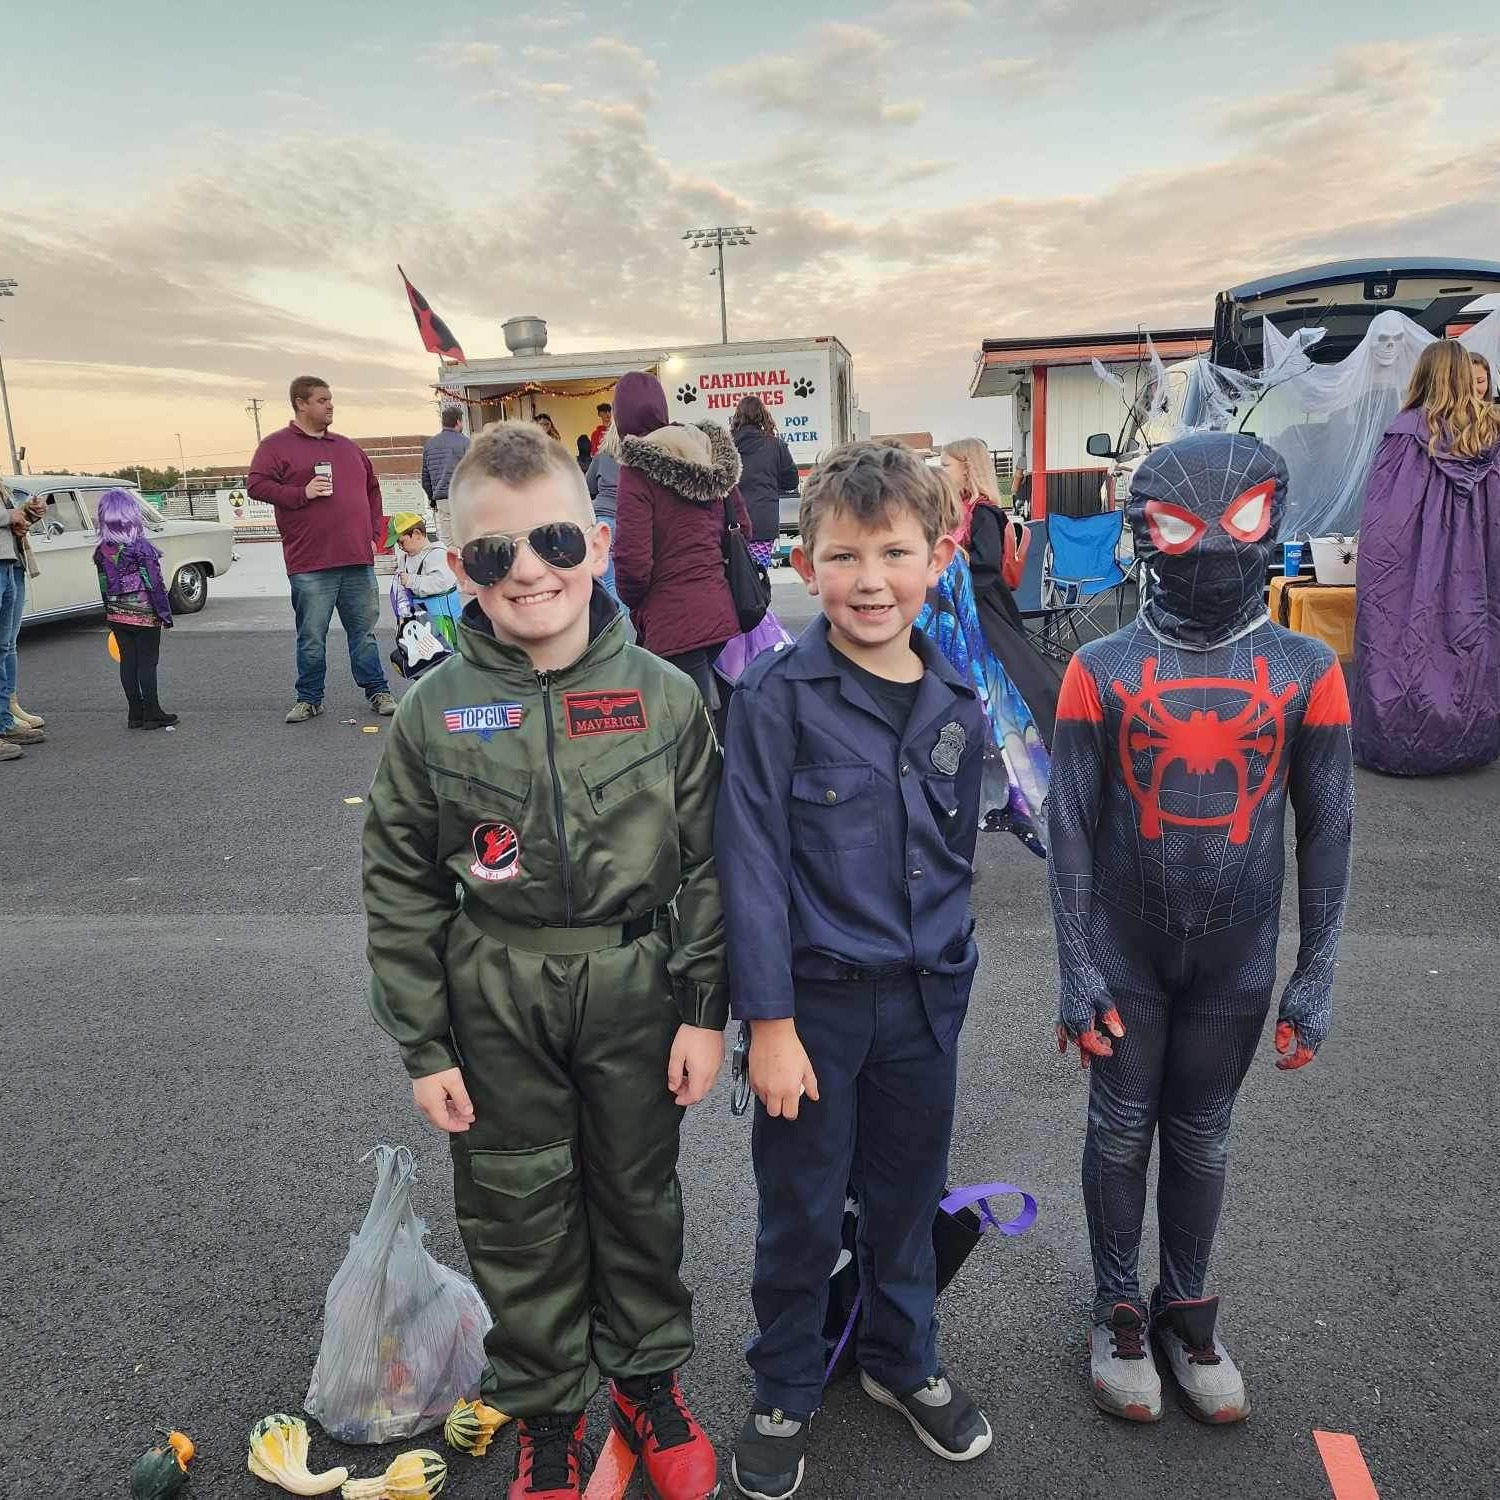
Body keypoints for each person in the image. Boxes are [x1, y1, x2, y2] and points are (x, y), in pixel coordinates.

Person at [363, 420, 725, 1500]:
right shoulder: (431, 716)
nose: (529, 571)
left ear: (600, 546)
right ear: (454, 563)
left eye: (555, 542)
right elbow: (399, 881)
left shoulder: (667, 698)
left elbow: (707, 866)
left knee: (637, 1197)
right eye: (492, 554)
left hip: (635, 991)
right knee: (516, 1210)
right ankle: (553, 1413)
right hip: (496, 997)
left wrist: (705, 1008)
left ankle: (645, 1384)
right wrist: (424, 1043)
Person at [1048, 431, 1353, 1426]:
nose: (1218, 545)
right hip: (1128, 951)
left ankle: (1184, 1302)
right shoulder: (1100, 667)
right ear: (1148, 532)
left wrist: (1316, 975)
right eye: (1186, 523)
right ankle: (1115, 1306)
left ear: (1273, 521)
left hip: (1235, 959)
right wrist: (1076, 965)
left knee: (1203, 1132)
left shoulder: (1308, 667)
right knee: (1121, 1125)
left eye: (1244, 520)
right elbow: (1070, 830)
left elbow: (1330, 827)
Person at [717, 441, 993, 1500]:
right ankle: (784, 1382)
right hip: (817, 1013)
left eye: (895, 553)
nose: (870, 580)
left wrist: (953, 978)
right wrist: (769, 1026)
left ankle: (899, 1358)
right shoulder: (775, 699)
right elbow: (751, 872)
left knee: (905, 1195)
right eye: (844, 555)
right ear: (803, 562)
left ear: (938, 557)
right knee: (799, 1204)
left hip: (926, 1005)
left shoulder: (959, 699)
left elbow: (953, 858)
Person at [1352, 338, 1500, 775]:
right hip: (1477, 565)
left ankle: (1403, 740)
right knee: (1472, 638)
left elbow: (1387, 520)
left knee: (1405, 640)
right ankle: (1468, 737)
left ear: (1423, 376)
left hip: (1412, 566)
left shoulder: (1405, 433)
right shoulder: (1490, 435)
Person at [914, 455, 1050, 854]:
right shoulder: (943, 557)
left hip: (951, 663)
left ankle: (955, 846)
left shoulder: (971, 530)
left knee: (948, 767)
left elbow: (954, 616)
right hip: (959, 661)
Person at [248, 375, 397, 724]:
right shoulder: (276, 446)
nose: (330, 405)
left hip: (357, 560)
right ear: (301, 403)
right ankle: (309, 698)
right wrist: (301, 493)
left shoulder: (348, 448)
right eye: (322, 400)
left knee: (365, 634)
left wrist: (373, 532)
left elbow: (372, 490)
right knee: (312, 636)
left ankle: (378, 691)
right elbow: (256, 485)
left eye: (330, 399)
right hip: (310, 563)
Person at [613, 370, 750, 720]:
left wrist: (635, 600)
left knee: (688, 728)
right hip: (722, 611)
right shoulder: (708, 452)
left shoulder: (636, 471)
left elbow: (633, 564)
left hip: (671, 621)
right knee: (719, 710)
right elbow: (743, 529)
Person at [938, 438, 1061, 743]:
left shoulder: (983, 513)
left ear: (967, 470)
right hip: (967, 599)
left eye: (945, 466)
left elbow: (987, 564)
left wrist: (962, 587)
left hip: (982, 602)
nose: (941, 472)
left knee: (1006, 667)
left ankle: (1031, 727)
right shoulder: (962, 510)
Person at [92, 489, 178, 729]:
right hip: (144, 614)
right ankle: (153, 712)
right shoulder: (141, 548)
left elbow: (103, 585)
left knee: (127, 661)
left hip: (116, 613)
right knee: (147, 662)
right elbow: (155, 585)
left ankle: (135, 713)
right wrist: (165, 614)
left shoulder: (102, 551)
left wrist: (108, 612)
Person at [0, 482, 46, 759]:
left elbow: (14, 521)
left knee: (5, 646)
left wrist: (28, 513)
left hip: (10, 562)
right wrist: (10, 517)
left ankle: (5, 718)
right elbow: (8, 519)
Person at [731, 395, 799, 568]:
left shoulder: (728, 447)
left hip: (733, 525)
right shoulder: (776, 445)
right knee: (759, 577)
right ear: (763, 416)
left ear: (737, 417)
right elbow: (791, 481)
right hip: (763, 523)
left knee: (737, 578)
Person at [389, 512, 462, 649]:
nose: (400, 547)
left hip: (442, 619)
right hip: (419, 619)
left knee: (447, 653)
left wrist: (411, 580)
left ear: (417, 534)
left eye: (401, 541)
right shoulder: (404, 559)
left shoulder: (438, 554)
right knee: (425, 654)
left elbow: (441, 582)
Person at [421, 405, 470, 544]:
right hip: (462, 497)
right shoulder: (466, 443)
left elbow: (425, 478)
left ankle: (450, 565)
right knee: (465, 539)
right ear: (458, 422)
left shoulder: (429, 445)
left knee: (448, 542)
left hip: (442, 499)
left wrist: (432, 498)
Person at [585, 423, 622, 600]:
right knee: (613, 582)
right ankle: (622, 626)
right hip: (622, 518)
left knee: (604, 579)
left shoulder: (602, 456)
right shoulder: (637, 457)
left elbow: (588, 486)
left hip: (598, 519)